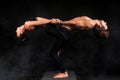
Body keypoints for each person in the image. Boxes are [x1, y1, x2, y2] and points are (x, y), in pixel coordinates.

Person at [16, 16, 109, 78]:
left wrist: (60, 22)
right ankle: (63, 71)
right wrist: (55, 22)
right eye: (106, 25)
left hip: (64, 31)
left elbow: (74, 23)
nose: (106, 23)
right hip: (64, 32)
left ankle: (64, 72)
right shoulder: (93, 22)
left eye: (105, 26)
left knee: (52, 52)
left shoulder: (90, 24)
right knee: (54, 51)